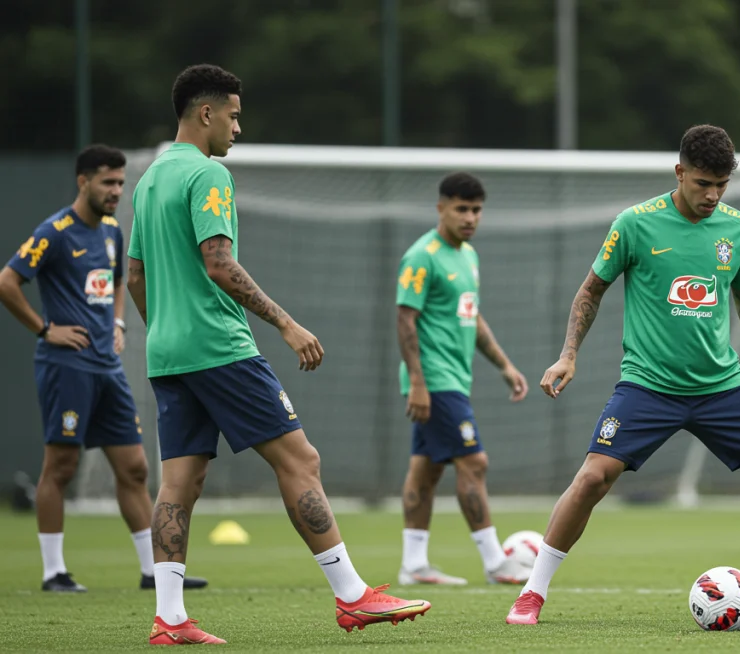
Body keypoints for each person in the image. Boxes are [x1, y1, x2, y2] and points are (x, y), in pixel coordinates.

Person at [505, 125, 740, 625]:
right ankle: (531, 594)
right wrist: (568, 354)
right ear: (679, 172)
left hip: (721, 387)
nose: (712, 194)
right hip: (648, 386)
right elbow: (590, 291)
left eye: (721, 184)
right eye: (703, 182)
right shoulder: (635, 224)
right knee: (594, 477)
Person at [127, 64, 430, 645]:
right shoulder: (206, 175)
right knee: (300, 460)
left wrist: (165, 326)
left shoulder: (148, 180)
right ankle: (352, 596)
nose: (240, 128)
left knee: (179, 484)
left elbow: (136, 273)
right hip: (220, 348)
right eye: (235, 116)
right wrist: (286, 323)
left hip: (168, 353)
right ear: (206, 113)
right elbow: (219, 261)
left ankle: (169, 618)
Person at [0, 145, 206, 593]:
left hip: (106, 366)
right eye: (108, 183)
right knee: (62, 465)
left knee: (134, 468)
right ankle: (54, 572)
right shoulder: (54, 232)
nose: (116, 191)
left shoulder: (112, 231)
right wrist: (44, 329)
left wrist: (116, 322)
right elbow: (7, 281)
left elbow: (117, 280)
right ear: (83, 182)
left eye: (119, 182)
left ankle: (152, 571)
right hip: (65, 366)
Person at [395, 172, 531, 586]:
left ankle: (413, 565)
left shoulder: (468, 256)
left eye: (476, 210)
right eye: (461, 209)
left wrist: (505, 365)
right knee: (474, 461)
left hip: (454, 377)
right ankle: (495, 561)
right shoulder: (422, 256)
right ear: (441, 208)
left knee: (426, 470)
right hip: (435, 382)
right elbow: (405, 319)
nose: (470, 217)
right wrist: (418, 382)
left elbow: (472, 317)